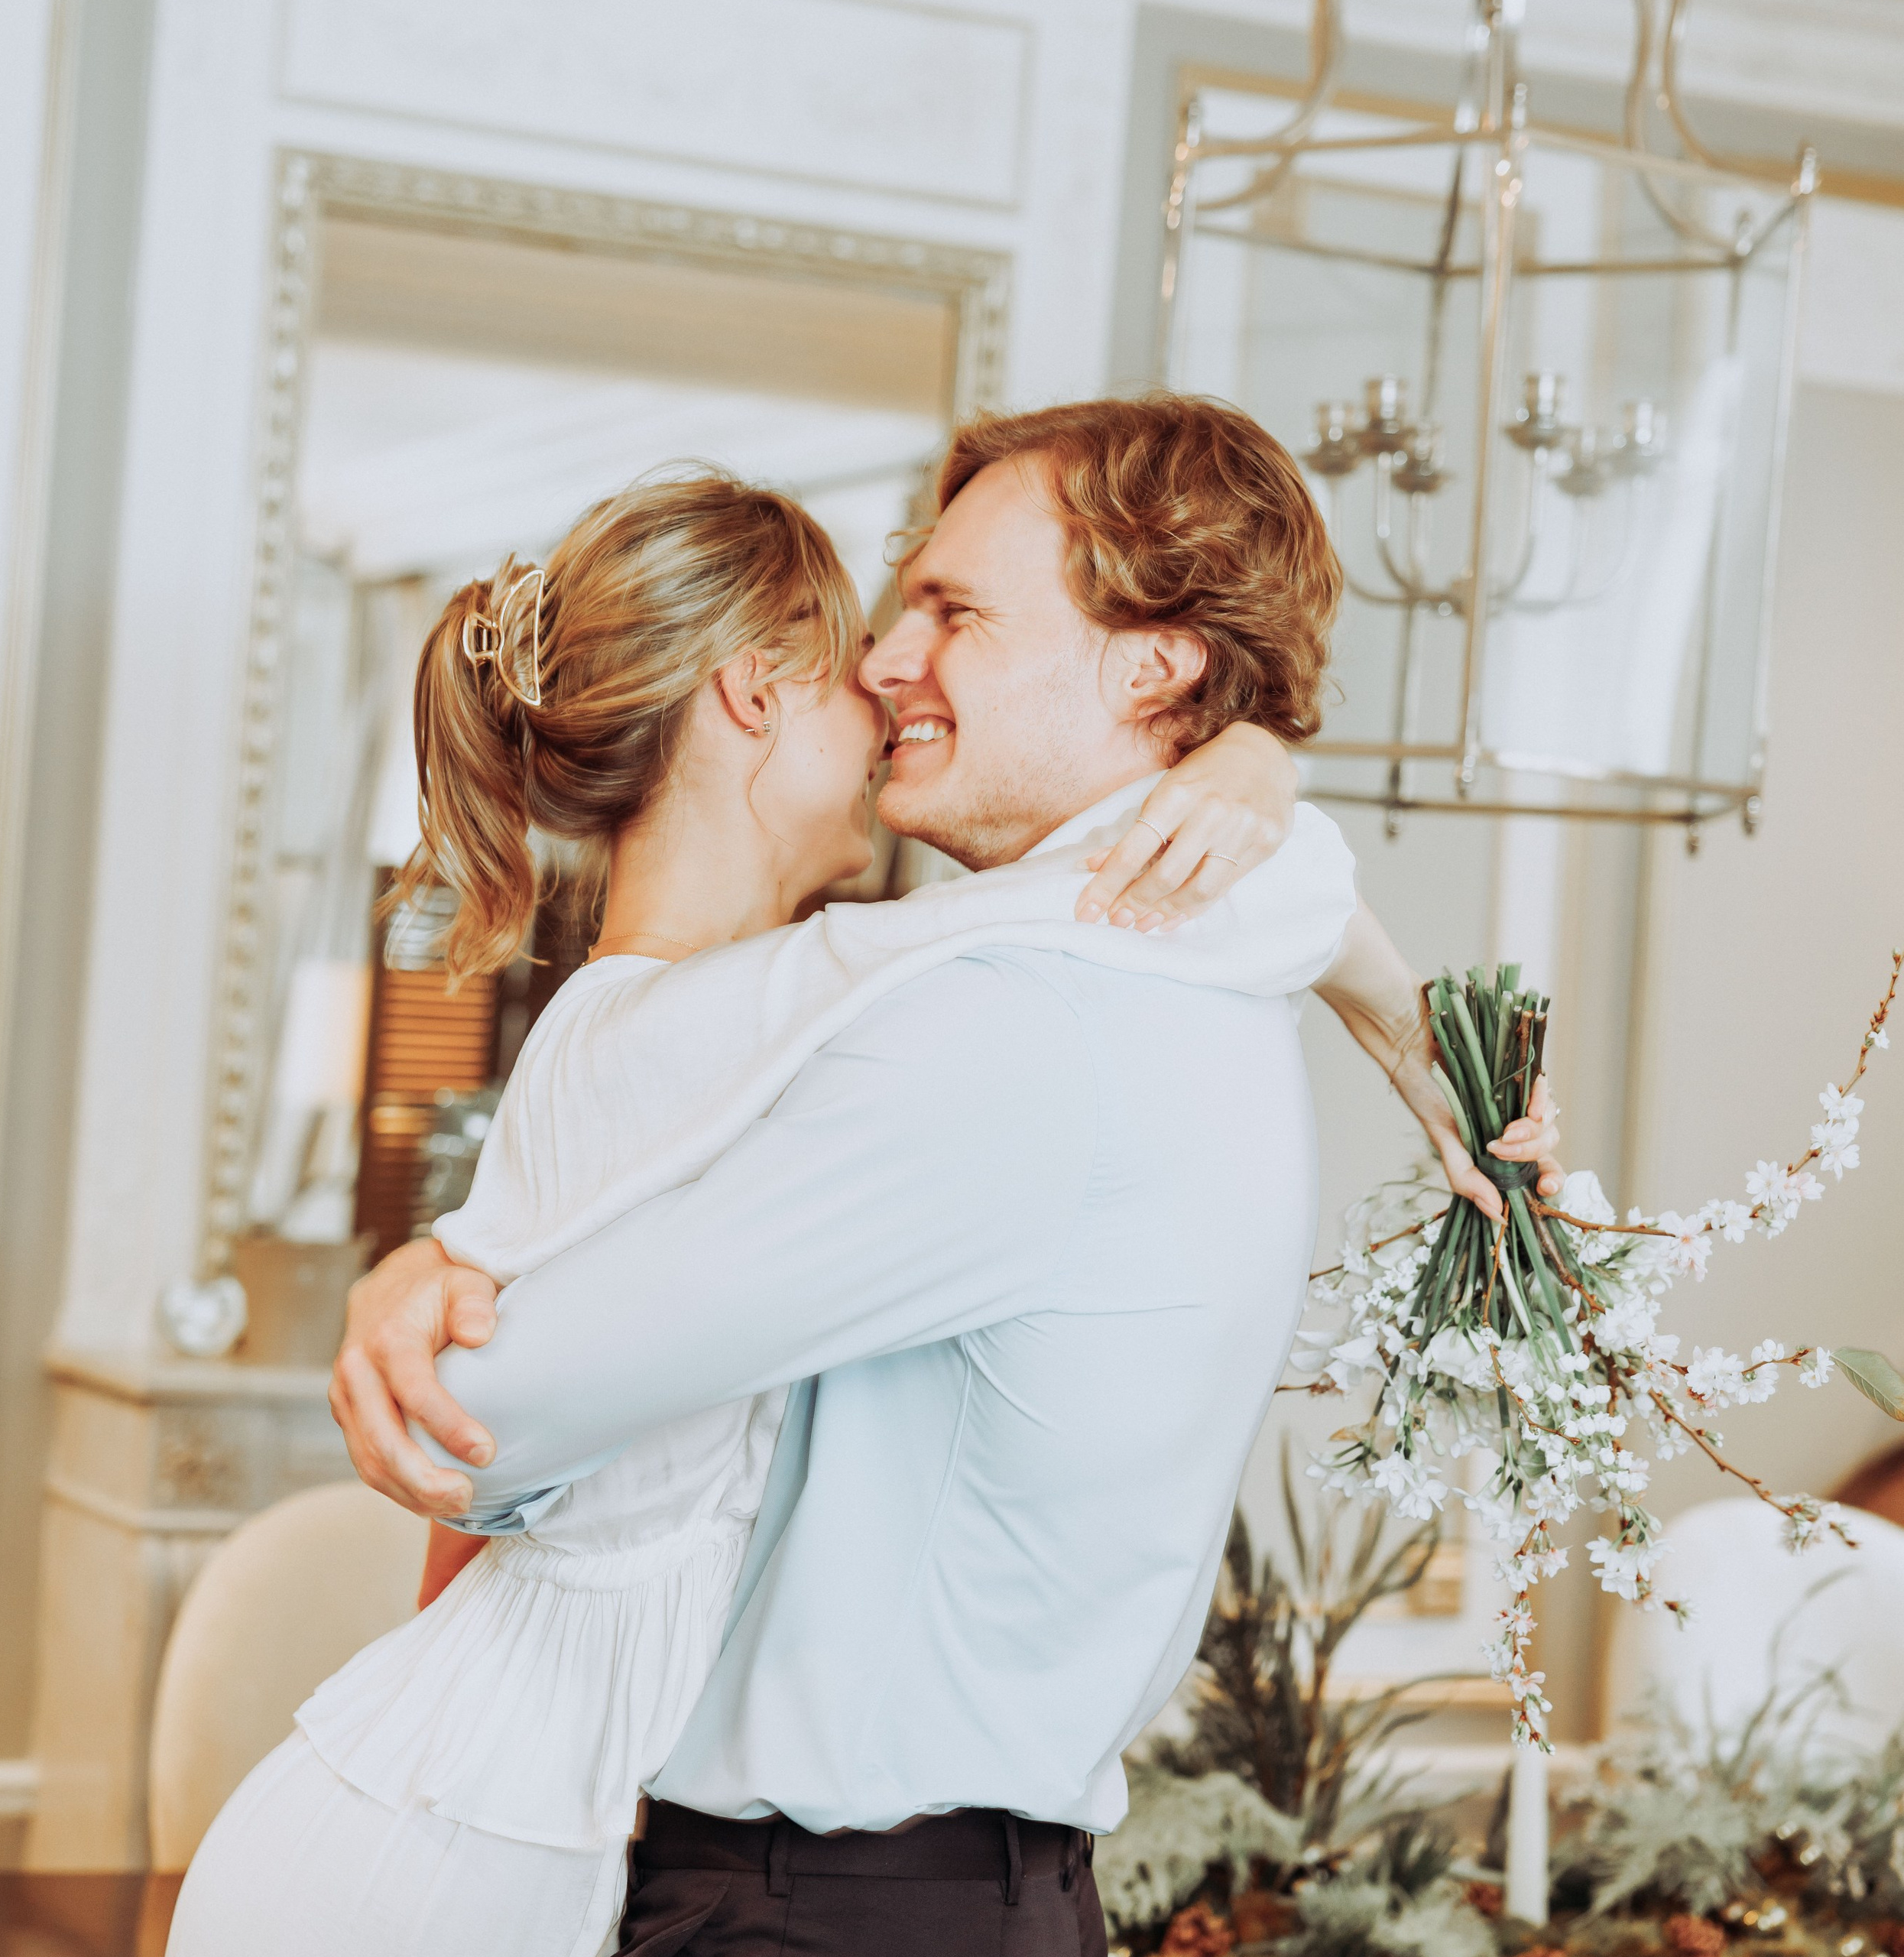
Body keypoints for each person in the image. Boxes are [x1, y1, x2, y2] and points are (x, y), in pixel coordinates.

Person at [326, 398, 1565, 1957]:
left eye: (953, 609)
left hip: (821, 1909)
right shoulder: (1141, 969)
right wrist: (1303, 849)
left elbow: (489, 1425)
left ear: (1151, 664)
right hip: (916, 1891)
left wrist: (422, 1292)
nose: (884, 660)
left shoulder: (1019, 1019)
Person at [166, 462, 1341, 1957]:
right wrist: (1250, 787)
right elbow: (481, 1444)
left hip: (539, 1830)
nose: (892, 690)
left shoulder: (772, 1015)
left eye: (947, 610)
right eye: (864, 655)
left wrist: (1245, 771)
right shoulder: (762, 1003)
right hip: (446, 1838)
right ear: (750, 696)